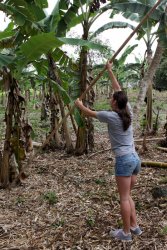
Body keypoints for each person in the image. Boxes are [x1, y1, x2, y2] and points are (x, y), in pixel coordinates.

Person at [75, 61, 142, 241]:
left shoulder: (110, 116)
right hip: (135, 159)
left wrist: (78, 104)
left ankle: (126, 234)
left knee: (124, 198)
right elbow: (118, 89)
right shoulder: (127, 111)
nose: (109, 98)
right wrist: (110, 72)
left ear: (114, 102)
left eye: (111, 98)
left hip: (124, 160)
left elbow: (88, 113)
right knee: (128, 196)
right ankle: (135, 227)